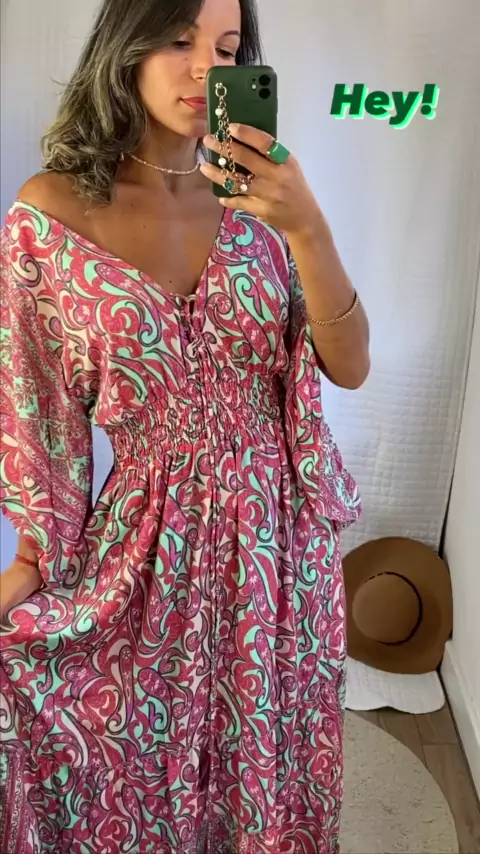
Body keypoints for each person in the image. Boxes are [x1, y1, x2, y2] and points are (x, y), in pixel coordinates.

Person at [0, 0, 370, 851]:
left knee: (262, 766)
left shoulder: (268, 205)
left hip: (279, 546)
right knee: (130, 764)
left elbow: (348, 365)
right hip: (145, 545)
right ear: (125, 46)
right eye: (178, 39)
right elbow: (39, 413)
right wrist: (33, 559)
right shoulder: (49, 217)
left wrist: (307, 225)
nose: (207, 67)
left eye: (228, 48)